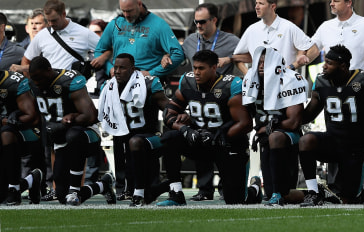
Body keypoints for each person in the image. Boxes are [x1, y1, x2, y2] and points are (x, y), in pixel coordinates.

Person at [299, 45, 364, 206]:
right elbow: (308, 115)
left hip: (356, 147)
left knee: (349, 200)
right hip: (333, 142)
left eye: (329, 63)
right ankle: (314, 192)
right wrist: (288, 115)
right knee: (307, 140)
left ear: (343, 66)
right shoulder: (321, 81)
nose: (324, 66)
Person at [159, 50, 252, 206]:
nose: (196, 72)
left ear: (214, 68)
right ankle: (176, 193)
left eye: (201, 68)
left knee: (235, 201)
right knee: (169, 139)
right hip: (200, 141)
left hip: (226, 143)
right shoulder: (187, 82)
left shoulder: (230, 85)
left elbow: (245, 123)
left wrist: (218, 136)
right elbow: (169, 113)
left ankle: (254, 190)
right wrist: (184, 129)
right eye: (194, 68)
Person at [27, 56, 115, 205]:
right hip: (60, 139)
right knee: (61, 195)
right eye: (34, 79)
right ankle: (103, 185)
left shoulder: (69, 81)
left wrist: (71, 118)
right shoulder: (34, 85)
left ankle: (75, 190)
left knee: (73, 135)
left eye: (39, 78)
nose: (37, 83)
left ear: (49, 71)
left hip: (86, 135)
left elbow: (92, 116)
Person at [97, 53, 170, 207]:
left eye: (122, 68)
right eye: (115, 67)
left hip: (148, 136)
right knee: (124, 142)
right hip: (122, 135)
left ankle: (147, 189)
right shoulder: (109, 86)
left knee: (134, 142)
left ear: (133, 69)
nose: (117, 71)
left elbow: (168, 108)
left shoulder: (148, 83)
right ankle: (127, 189)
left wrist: (176, 121)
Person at [242, 46, 308, 206]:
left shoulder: (291, 79)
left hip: (287, 137)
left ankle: (314, 191)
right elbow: (247, 116)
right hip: (266, 139)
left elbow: (293, 122)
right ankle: (256, 188)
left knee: (275, 136)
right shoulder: (250, 79)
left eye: (266, 62)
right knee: (273, 195)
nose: (261, 66)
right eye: (259, 62)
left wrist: (267, 128)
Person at [92, 0, 184, 78]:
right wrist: (110, 69)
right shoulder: (116, 23)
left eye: (129, 11)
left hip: (146, 82)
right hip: (119, 81)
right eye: (123, 11)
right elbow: (99, 50)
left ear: (139, 4)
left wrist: (151, 73)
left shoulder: (159, 24)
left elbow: (178, 54)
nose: (126, 15)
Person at [231, 0, 318, 75]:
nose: (256, 7)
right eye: (256, 3)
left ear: (273, 6)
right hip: (260, 88)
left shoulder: (288, 27)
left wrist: (292, 67)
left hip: (285, 86)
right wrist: (249, 76)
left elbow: (314, 50)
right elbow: (237, 57)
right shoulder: (251, 29)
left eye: (261, 3)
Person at [11, 0, 99, 73]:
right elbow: (26, 60)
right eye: (48, 20)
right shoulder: (42, 35)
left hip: (73, 88)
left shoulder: (84, 33)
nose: (50, 24)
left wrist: (103, 59)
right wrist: (30, 84)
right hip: (47, 88)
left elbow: (108, 48)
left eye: (54, 20)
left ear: (63, 14)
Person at [0, 70, 43, 205]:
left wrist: (12, 119)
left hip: (24, 132)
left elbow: (32, 116)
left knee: (6, 132)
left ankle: (14, 188)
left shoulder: (12, 81)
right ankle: (31, 180)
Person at [312, 0, 364, 71]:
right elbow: (311, 50)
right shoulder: (325, 26)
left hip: (359, 82)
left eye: (336, 1)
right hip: (332, 82)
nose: (331, 4)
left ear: (349, 3)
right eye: (331, 1)